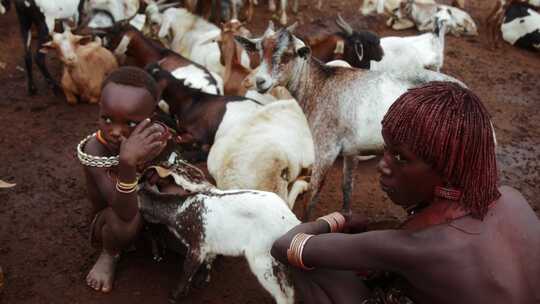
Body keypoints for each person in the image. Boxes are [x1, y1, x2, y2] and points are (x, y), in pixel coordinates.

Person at [271, 81, 540, 304]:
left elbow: (285, 247)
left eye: (400, 157)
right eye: (385, 149)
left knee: (316, 270)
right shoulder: (511, 197)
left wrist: (337, 219)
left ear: (446, 169)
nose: (382, 165)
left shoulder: (418, 246)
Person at [77, 66, 169, 292]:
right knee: (126, 224)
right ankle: (110, 254)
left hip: (146, 200)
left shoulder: (150, 135)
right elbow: (124, 210)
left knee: (179, 193)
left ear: (150, 118)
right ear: (99, 109)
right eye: (107, 119)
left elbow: (166, 154)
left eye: (129, 124)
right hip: (113, 215)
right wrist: (127, 164)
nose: (115, 131)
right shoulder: (95, 149)